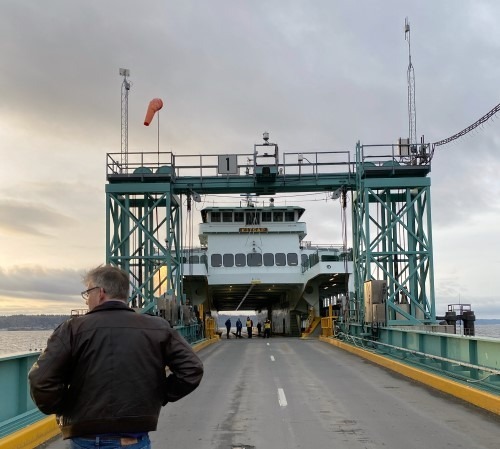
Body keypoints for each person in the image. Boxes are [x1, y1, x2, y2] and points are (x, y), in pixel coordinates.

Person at [28, 264, 204, 449]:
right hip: (133, 439)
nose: (87, 300)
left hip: (85, 439)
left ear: (100, 292)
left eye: (88, 293)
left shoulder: (73, 329)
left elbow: (40, 380)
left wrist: (64, 406)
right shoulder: (157, 327)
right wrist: (160, 394)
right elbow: (192, 369)